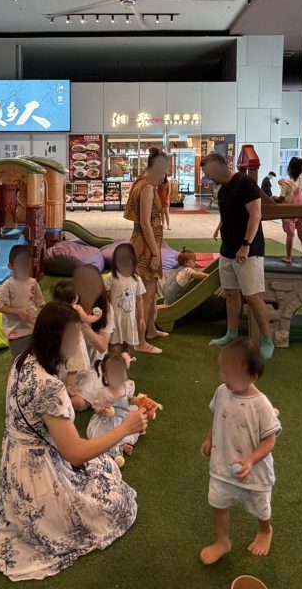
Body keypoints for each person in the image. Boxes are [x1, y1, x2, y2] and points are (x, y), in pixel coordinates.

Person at [0, 302, 146, 581]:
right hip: (38, 475)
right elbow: (75, 453)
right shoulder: (49, 387)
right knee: (117, 504)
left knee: (103, 467)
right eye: (73, 337)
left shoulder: (22, 361)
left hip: (15, 465)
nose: (78, 344)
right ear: (54, 338)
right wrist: (126, 427)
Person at [200, 337, 280, 565]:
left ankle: (265, 530)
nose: (224, 378)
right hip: (223, 464)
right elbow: (217, 417)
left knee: (261, 507)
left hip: (253, 472)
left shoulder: (261, 404)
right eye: (222, 371)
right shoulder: (221, 392)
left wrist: (251, 460)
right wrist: (210, 438)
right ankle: (222, 541)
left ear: (252, 377)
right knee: (218, 502)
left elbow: (269, 441)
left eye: (230, 374)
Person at [201, 153, 274, 361]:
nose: (208, 177)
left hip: (249, 251)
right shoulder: (223, 190)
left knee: (252, 296)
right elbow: (228, 213)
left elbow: (255, 215)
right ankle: (231, 333)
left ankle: (267, 340)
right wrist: (220, 226)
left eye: (208, 172)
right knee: (231, 293)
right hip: (228, 249)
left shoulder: (245, 183)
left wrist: (246, 245)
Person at [123, 147, 169, 351]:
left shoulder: (140, 182)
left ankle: (150, 330)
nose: (165, 175)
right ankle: (140, 341)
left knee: (148, 292)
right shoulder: (148, 187)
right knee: (146, 295)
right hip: (145, 246)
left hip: (143, 242)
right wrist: (156, 253)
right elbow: (145, 223)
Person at [63, 265, 114, 411]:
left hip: (93, 367)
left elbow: (102, 346)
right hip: (69, 364)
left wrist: (84, 324)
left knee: (78, 403)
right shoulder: (70, 306)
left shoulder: (106, 309)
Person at [86, 352, 144, 465]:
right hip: (108, 422)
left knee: (131, 427)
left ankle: (123, 445)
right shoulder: (104, 393)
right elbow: (97, 409)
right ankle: (118, 450)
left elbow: (129, 399)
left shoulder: (127, 386)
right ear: (106, 376)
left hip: (123, 417)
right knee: (104, 438)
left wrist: (138, 401)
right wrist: (102, 410)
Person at [0, 244, 45, 362]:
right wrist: (18, 311)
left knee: (36, 359)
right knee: (20, 360)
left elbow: (40, 303)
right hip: (16, 332)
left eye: (26, 265)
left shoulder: (33, 282)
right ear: (11, 266)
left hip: (33, 329)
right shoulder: (8, 285)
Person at [105, 243, 150, 357]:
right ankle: (111, 367)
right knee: (113, 348)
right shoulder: (111, 277)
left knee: (126, 349)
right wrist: (106, 313)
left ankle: (125, 366)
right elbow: (105, 296)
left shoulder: (136, 279)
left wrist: (141, 318)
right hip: (114, 319)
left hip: (129, 320)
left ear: (133, 263)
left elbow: (139, 299)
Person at [278, 157, 302, 265]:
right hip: (301, 211)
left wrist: (273, 198)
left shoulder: (286, 184)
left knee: (290, 235)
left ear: (289, 169)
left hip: (289, 212)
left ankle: (288, 257)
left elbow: (281, 199)